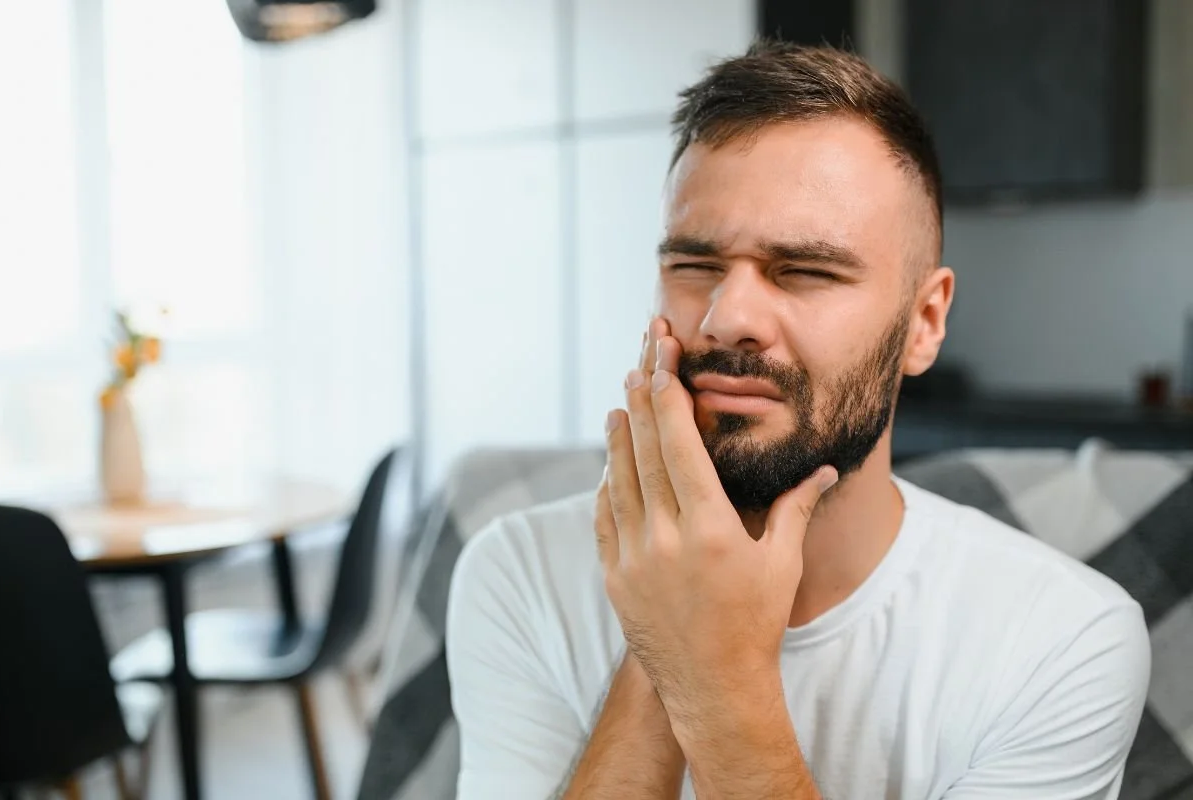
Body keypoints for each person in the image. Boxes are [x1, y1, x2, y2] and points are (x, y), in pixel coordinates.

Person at [446, 42, 1150, 799]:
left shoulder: (1064, 640)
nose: (728, 317)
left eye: (806, 270)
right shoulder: (516, 572)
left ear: (924, 322)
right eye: (694, 266)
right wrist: (659, 625)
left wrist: (705, 665)